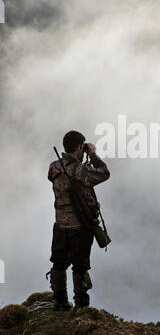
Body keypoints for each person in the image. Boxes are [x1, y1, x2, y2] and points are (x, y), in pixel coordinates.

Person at [47, 130, 110, 311]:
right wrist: (93, 154)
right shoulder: (81, 170)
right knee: (80, 266)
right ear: (79, 147)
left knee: (59, 262)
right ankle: (81, 305)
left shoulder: (53, 167)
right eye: (83, 148)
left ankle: (59, 301)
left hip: (60, 223)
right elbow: (105, 173)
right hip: (80, 226)